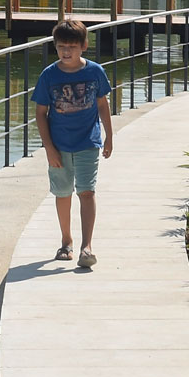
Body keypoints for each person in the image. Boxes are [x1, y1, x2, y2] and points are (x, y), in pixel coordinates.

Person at [32, 19, 115, 270]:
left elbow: (102, 104)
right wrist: (49, 148)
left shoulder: (94, 72)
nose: (66, 51)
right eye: (60, 47)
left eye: (71, 46)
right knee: (63, 192)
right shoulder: (49, 75)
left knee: (87, 191)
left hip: (88, 141)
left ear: (84, 46)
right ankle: (66, 240)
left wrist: (109, 135)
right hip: (59, 144)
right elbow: (40, 113)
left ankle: (86, 246)